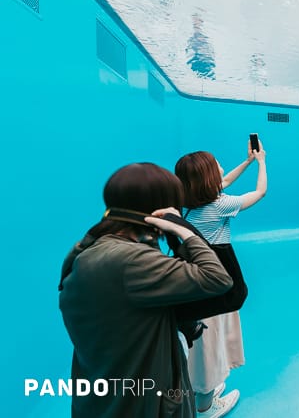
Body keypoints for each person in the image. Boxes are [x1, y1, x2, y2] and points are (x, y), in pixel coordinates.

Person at [58, 163, 234, 418]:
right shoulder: (132, 261)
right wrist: (185, 231)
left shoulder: (87, 250)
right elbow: (217, 278)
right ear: (158, 211)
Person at [175, 139, 267, 418]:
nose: (220, 167)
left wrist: (248, 161)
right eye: (215, 165)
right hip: (217, 286)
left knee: (200, 340)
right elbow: (260, 192)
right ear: (207, 178)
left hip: (193, 281)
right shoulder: (220, 205)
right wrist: (262, 162)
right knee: (210, 343)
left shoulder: (186, 205)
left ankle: (204, 389)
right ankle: (204, 405)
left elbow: (224, 180)